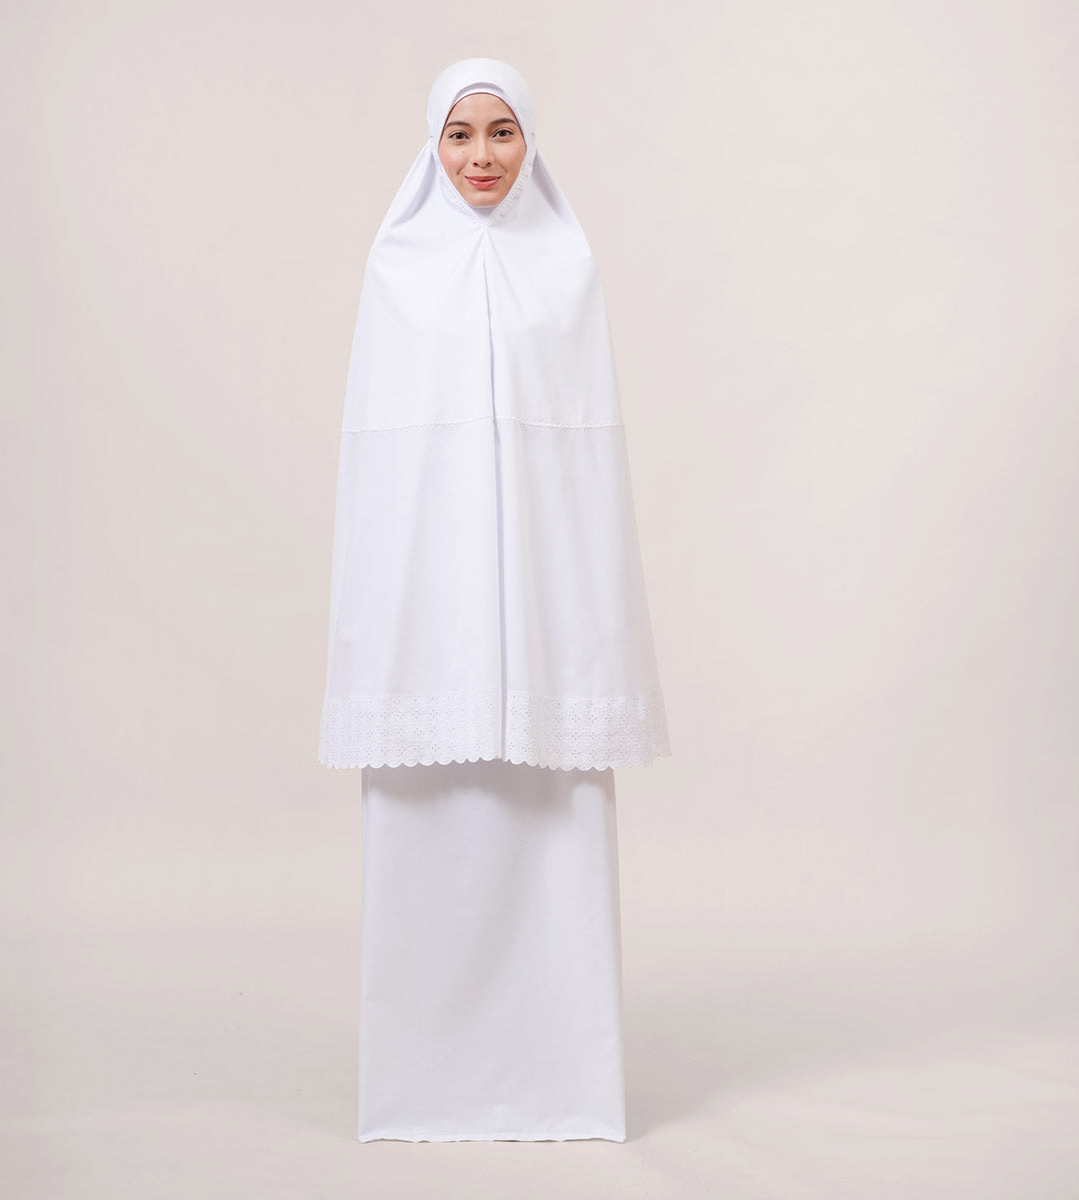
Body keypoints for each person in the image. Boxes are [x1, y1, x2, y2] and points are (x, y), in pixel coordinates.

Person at [318, 58, 669, 1143]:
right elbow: (381, 466)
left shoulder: (566, 270)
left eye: (502, 131)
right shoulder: (396, 273)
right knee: (430, 845)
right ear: (432, 144)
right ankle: (425, 1089)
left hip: (546, 611)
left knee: (552, 836)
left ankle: (562, 1083)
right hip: (429, 608)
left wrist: (570, 619)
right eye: (461, 134)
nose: (481, 155)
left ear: (531, 141)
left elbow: (584, 465)